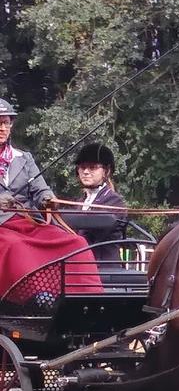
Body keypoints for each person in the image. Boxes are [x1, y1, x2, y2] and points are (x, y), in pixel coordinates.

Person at [0, 98, 102, 302]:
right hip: (2, 226)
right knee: (16, 246)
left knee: (76, 241)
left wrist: (47, 198)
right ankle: (37, 297)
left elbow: (40, 188)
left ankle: (89, 296)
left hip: (27, 221)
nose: (3, 128)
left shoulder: (24, 158)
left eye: (6, 122)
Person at [73, 142, 128, 265]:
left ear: (106, 171)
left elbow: (89, 235)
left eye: (92, 167)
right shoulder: (80, 202)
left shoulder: (114, 201)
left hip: (104, 268)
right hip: (80, 266)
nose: (86, 172)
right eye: (82, 167)